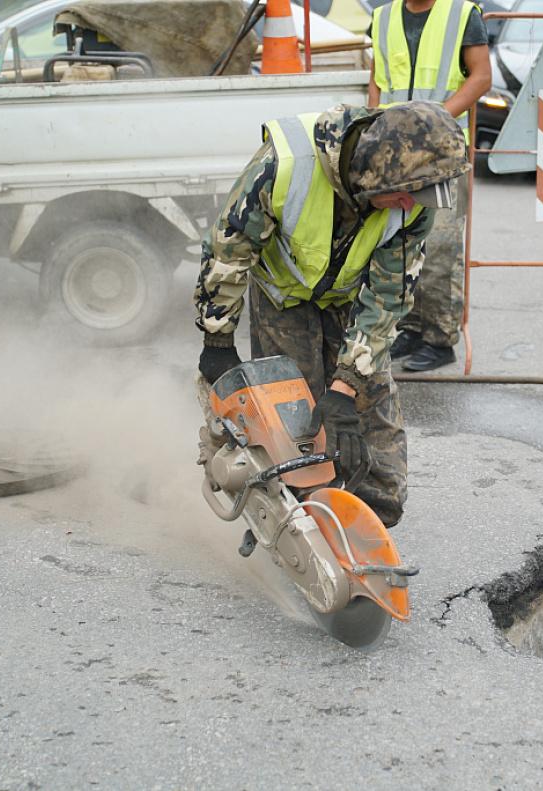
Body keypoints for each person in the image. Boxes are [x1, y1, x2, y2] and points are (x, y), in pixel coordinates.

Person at [194, 101, 469, 528]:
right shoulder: (285, 166)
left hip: (348, 297)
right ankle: (301, 524)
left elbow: (389, 296)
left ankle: (367, 531)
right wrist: (218, 340)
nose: (409, 205)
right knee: (294, 430)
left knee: (368, 421)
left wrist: (345, 387)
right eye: (402, 195)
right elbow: (230, 250)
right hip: (282, 296)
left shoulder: (414, 197)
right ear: (373, 171)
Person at [368, 0, 492, 372]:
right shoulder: (383, 18)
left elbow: (481, 77)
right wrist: (375, 129)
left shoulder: (461, 14)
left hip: (441, 148)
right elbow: (377, 81)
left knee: (439, 246)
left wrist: (434, 117)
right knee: (400, 242)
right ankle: (409, 327)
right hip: (395, 150)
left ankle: (439, 339)